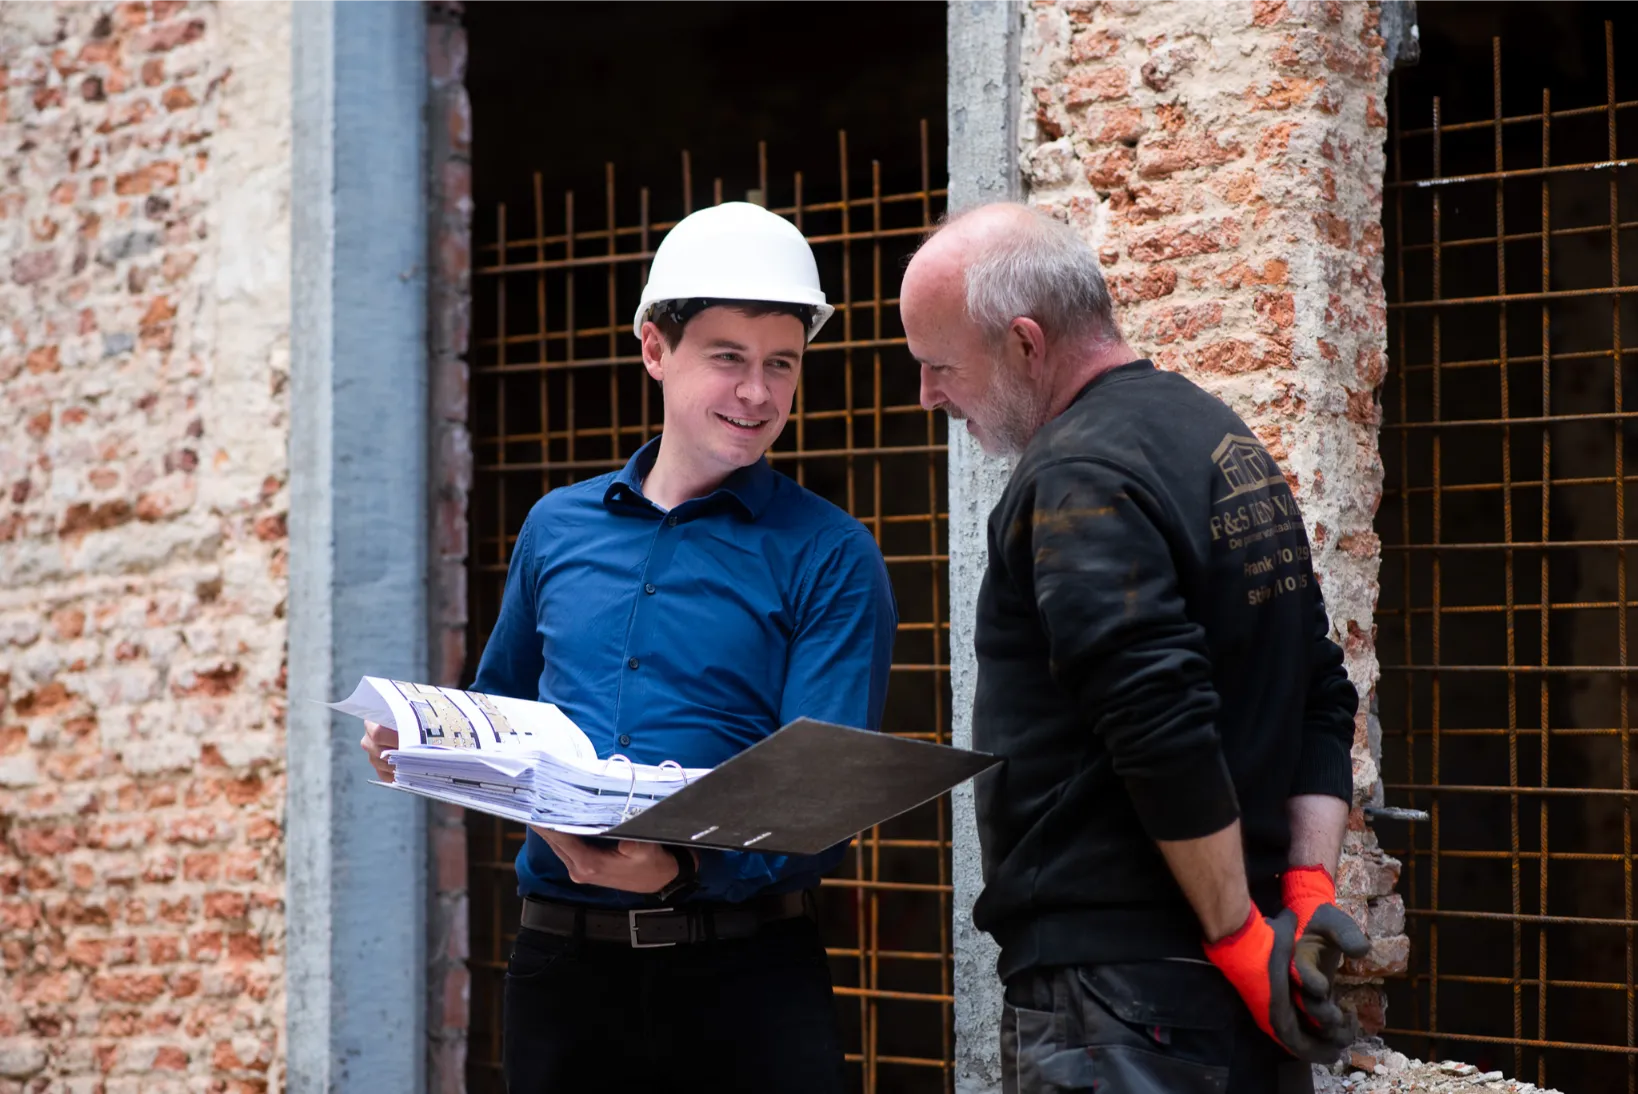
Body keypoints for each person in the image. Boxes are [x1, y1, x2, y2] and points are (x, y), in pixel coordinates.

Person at [360, 202, 897, 1093]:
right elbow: (505, 715)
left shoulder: (832, 554)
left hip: (747, 985)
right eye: (728, 358)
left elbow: (823, 796)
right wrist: (426, 752)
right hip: (563, 977)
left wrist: (679, 868)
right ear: (655, 348)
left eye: (781, 365)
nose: (757, 394)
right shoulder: (555, 527)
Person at [899, 202, 1370, 1094]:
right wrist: (1302, 895)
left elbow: (1158, 723)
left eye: (938, 365)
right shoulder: (1217, 437)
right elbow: (1319, 689)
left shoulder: (1080, 474)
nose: (928, 396)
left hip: (1118, 1001)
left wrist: (1238, 939)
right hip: (1238, 976)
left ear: (1025, 343)